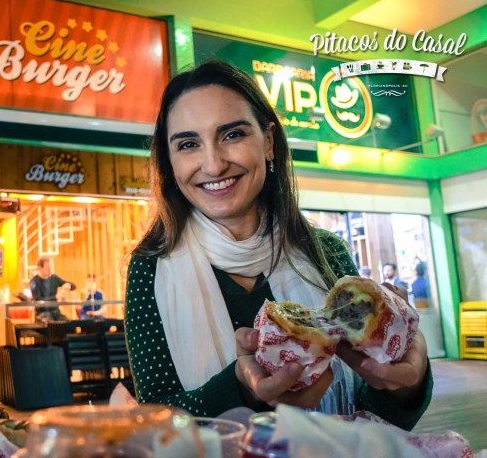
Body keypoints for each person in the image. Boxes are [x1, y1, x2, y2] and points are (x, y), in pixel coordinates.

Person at [124, 59, 431, 430]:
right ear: (170, 161)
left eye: (232, 135)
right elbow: (154, 417)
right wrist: (242, 390)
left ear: (268, 142)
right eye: (188, 144)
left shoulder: (326, 252)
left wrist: (405, 384)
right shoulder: (150, 268)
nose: (213, 164)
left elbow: (375, 414)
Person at [29, 257, 75, 322]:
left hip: (56, 313)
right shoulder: (34, 282)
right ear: (40, 268)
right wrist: (55, 297)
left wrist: (69, 285)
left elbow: (73, 286)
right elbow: (37, 300)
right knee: (52, 326)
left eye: (50, 268)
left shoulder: (54, 278)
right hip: (42, 313)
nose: (50, 270)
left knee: (69, 325)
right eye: (47, 269)